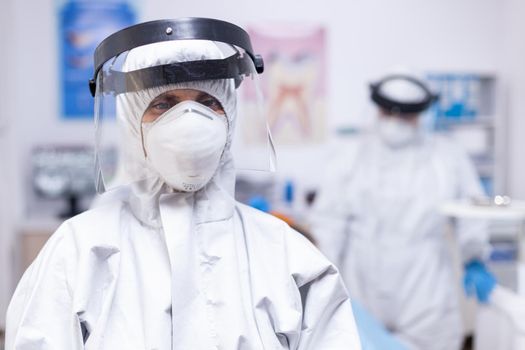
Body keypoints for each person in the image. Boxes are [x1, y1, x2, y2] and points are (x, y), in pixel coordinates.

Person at [6, 18, 361, 350]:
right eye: (164, 104)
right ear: (132, 121)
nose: (190, 121)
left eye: (208, 101)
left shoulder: (288, 256)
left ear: (230, 115)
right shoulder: (80, 251)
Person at [312, 73, 489, 350]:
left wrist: (474, 257)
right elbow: (328, 224)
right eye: (388, 112)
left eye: (405, 115)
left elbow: (472, 211)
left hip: (425, 283)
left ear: (421, 114)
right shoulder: (350, 155)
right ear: (376, 110)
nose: (395, 121)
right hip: (361, 282)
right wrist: (321, 283)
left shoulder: (446, 156)